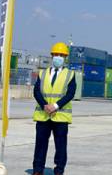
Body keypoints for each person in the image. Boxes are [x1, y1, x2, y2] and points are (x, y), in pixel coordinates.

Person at [32, 42, 77, 175]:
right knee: (40, 145)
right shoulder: (42, 73)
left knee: (61, 146)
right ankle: (37, 170)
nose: (58, 57)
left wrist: (56, 106)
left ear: (65, 58)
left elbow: (70, 93)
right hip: (43, 114)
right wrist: (44, 105)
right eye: (56, 54)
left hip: (60, 116)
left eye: (61, 55)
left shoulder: (70, 74)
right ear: (52, 56)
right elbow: (36, 91)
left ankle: (59, 170)